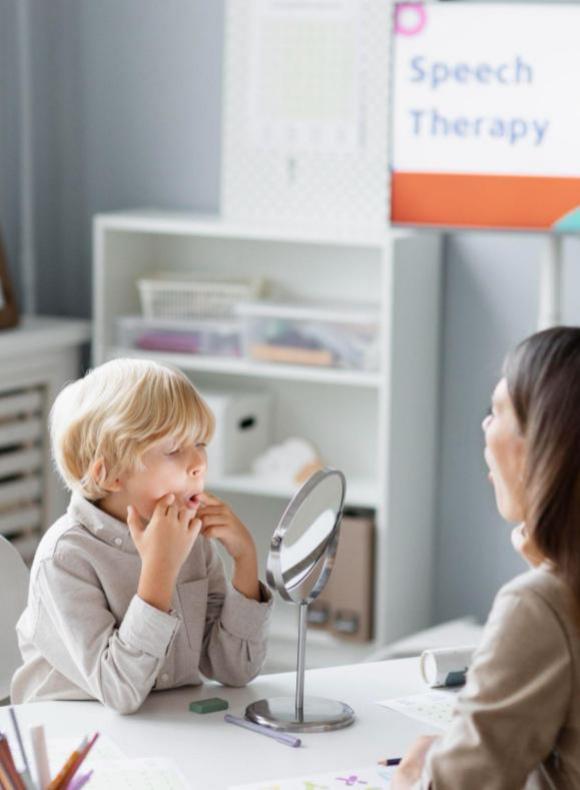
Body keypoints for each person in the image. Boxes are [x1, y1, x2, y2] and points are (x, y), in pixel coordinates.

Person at [11, 358, 272, 714]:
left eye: (200, 444)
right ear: (110, 475)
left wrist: (245, 560)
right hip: (74, 737)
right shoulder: (65, 558)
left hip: (165, 731)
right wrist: (161, 569)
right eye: (174, 449)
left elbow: (235, 670)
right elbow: (120, 690)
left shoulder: (191, 539)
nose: (199, 463)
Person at [393, 326, 580, 789]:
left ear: (541, 446)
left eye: (496, 413)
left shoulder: (540, 604)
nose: (484, 428)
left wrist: (417, 774)